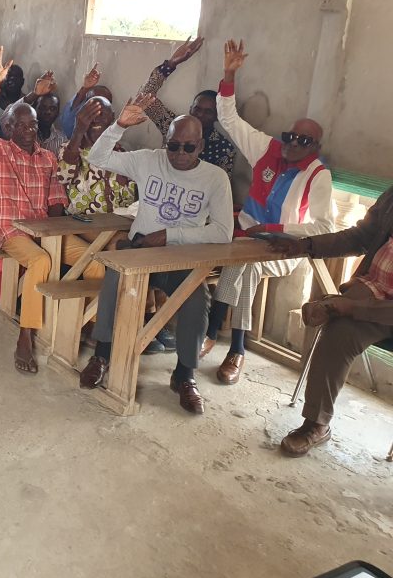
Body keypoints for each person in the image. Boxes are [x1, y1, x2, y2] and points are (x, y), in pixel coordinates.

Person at [78, 96, 234, 413]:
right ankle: (102, 355)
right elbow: (98, 157)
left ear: (200, 145)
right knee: (113, 280)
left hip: (181, 257)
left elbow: (222, 232)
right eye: (173, 146)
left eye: (188, 148)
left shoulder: (215, 178)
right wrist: (118, 125)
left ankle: (185, 375)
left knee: (196, 300)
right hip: (139, 251)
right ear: (166, 141)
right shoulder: (149, 160)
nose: (178, 154)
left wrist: (170, 235)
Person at [200, 40, 334, 384]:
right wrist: (229, 73)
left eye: (303, 140)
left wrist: (276, 227)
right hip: (245, 237)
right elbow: (228, 118)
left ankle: (217, 333)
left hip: (284, 248)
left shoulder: (318, 175)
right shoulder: (268, 150)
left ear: (314, 147)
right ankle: (236, 349)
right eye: (290, 135)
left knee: (243, 263)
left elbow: (323, 227)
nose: (292, 143)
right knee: (243, 262)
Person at [269, 188, 393, 456]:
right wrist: (307, 244)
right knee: (338, 325)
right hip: (375, 287)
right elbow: (361, 236)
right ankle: (317, 422)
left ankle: (338, 306)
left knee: (342, 319)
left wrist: (353, 307)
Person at [0, 47, 68, 375]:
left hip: (43, 228)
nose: (30, 130)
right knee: (42, 261)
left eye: (33, 125)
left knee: (94, 260)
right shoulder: (1, 152)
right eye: (22, 125)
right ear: (10, 127)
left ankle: (79, 325)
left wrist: (57, 236)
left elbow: (57, 201)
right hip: (13, 230)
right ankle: (25, 335)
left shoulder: (47, 158)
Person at [58, 95, 138, 279]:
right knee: (121, 247)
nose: (97, 119)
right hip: (84, 224)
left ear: (112, 118)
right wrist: (78, 130)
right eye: (91, 115)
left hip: (118, 226)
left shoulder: (122, 153)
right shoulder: (70, 150)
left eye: (103, 115)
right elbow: (63, 175)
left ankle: (140, 299)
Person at [137, 37, 237, 176]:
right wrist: (171, 63)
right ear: (190, 109)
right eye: (197, 109)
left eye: (208, 112)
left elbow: (221, 186)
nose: (200, 115)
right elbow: (144, 97)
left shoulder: (224, 149)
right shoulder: (172, 125)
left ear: (217, 116)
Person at [59, 63, 113, 138]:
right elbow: (68, 118)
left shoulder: (112, 139)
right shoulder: (73, 127)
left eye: (103, 103)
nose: (97, 108)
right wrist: (85, 88)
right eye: (93, 102)